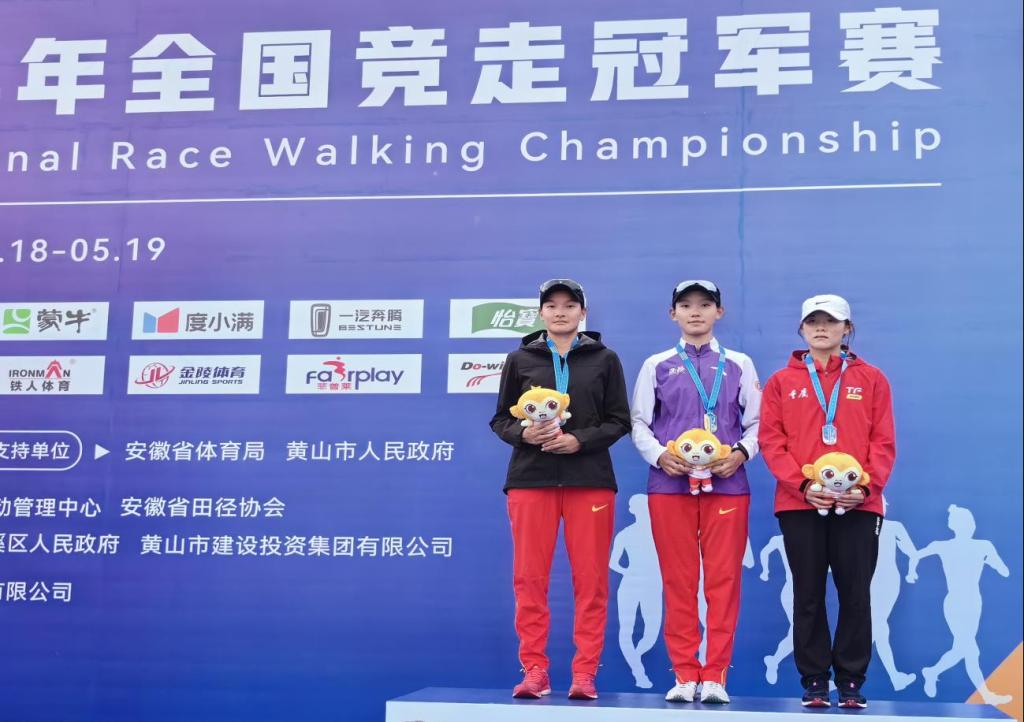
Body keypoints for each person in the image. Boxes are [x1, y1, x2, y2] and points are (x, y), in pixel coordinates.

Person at [490, 278, 631, 701]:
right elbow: (500, 419)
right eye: (552, 305)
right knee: (529, 579)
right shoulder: (520, 358)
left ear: (582, 312)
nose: (560, 312)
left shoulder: (605, 358)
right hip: (531, 480)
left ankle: (585, 673)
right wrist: (524, 434)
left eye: (570, 305)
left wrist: (578, 441)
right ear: (541, 313)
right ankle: (535, 670)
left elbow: (619, 420)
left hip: (590, 480)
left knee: (591, 581)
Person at [759, 294, 896, 709]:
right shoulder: (781, 382)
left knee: (856, 593)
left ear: (846, 328)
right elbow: (771, 442)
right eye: (813, 321)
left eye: (831, 321)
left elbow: (883, 441)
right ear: (801, 328)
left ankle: (851, 680)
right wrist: (801, 486)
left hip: (859, 504)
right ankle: (815, 680)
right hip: (800, 502)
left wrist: (865, 489)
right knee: (808, 593)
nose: (821, 328)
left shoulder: (872, 378)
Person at [631, 280, 761, 704]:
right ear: (673, 314)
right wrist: (659, 457)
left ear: (719, 312)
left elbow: (758, 423)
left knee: (723, 581)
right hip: (669, 485)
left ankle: (716, 675)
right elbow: (639, 422)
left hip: (728, 485)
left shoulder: (739, 363)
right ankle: (686, 674)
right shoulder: (656, 364)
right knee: (678, 580)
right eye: (686, 305)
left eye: (705, 305)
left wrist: (740, 454)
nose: (695, 312)